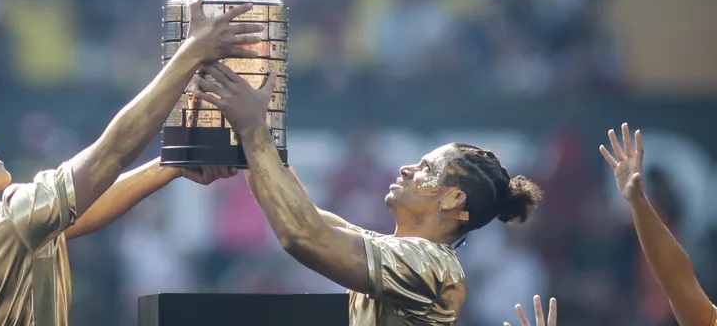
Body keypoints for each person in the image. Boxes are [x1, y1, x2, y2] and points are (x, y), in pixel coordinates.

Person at [0, 0, 263, 325]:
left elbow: (72, 218)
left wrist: (171, 165)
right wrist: (191, 52)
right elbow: (111, 152)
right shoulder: (7, 224)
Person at [194, 62, 544, 325]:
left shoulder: (433, 264)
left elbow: (302, 235)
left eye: (426, 169)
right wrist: (251, 133)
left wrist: (253, 128)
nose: (407, 169)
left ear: (453, 199)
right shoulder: (396, 252)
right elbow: (305, 215)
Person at [600, 123, 717, 326]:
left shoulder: (678, 219)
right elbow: (678, 282)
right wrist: (638, 202)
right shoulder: (646, 219)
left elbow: (680, 278)